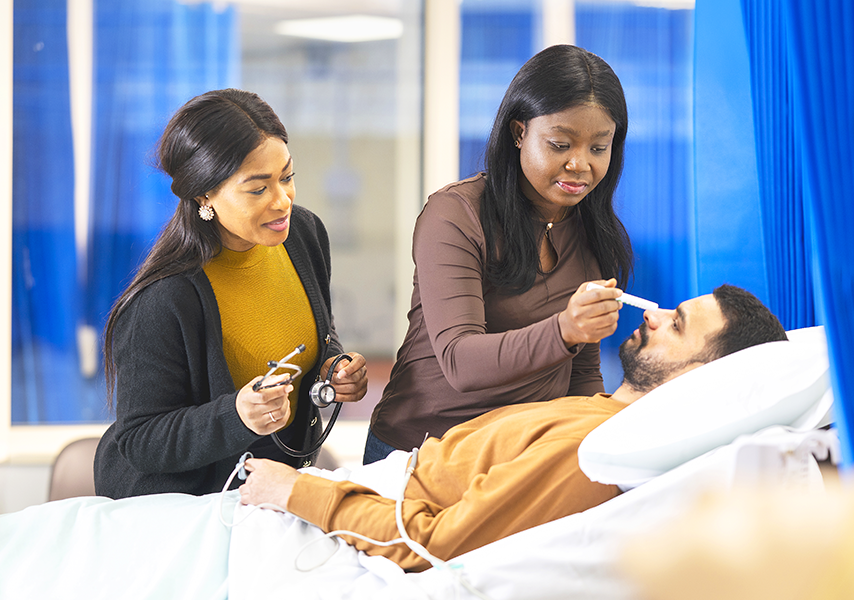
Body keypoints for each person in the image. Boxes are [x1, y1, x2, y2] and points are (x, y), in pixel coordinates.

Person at [238, 284, 789, 572]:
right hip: (367, 496)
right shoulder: (595, 412)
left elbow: (433, 545)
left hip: (350, 524)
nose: (653, 314)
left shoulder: (595, 449)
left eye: (678, 325)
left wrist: (294, 491)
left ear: (702, 379)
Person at [93, 89, 368, 499]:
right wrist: (235, 415)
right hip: (185, 510)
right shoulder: (164, 299)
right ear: (205, 195)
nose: (283, 200)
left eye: (287, 177)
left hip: (270, 493)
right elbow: (139, 440)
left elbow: (312, 335)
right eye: (258, 189)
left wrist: (334, 368)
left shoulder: (303, 237)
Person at [365, 44, 634, 463]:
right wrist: (564, 329)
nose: (581, 165)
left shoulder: (589, 230)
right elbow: (461, 361)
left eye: (599, 149)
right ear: (519, 132)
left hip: (516, 456)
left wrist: (593, 447)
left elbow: (580, 374)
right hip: (420, 452)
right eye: (561, 144)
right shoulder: (456, 214)